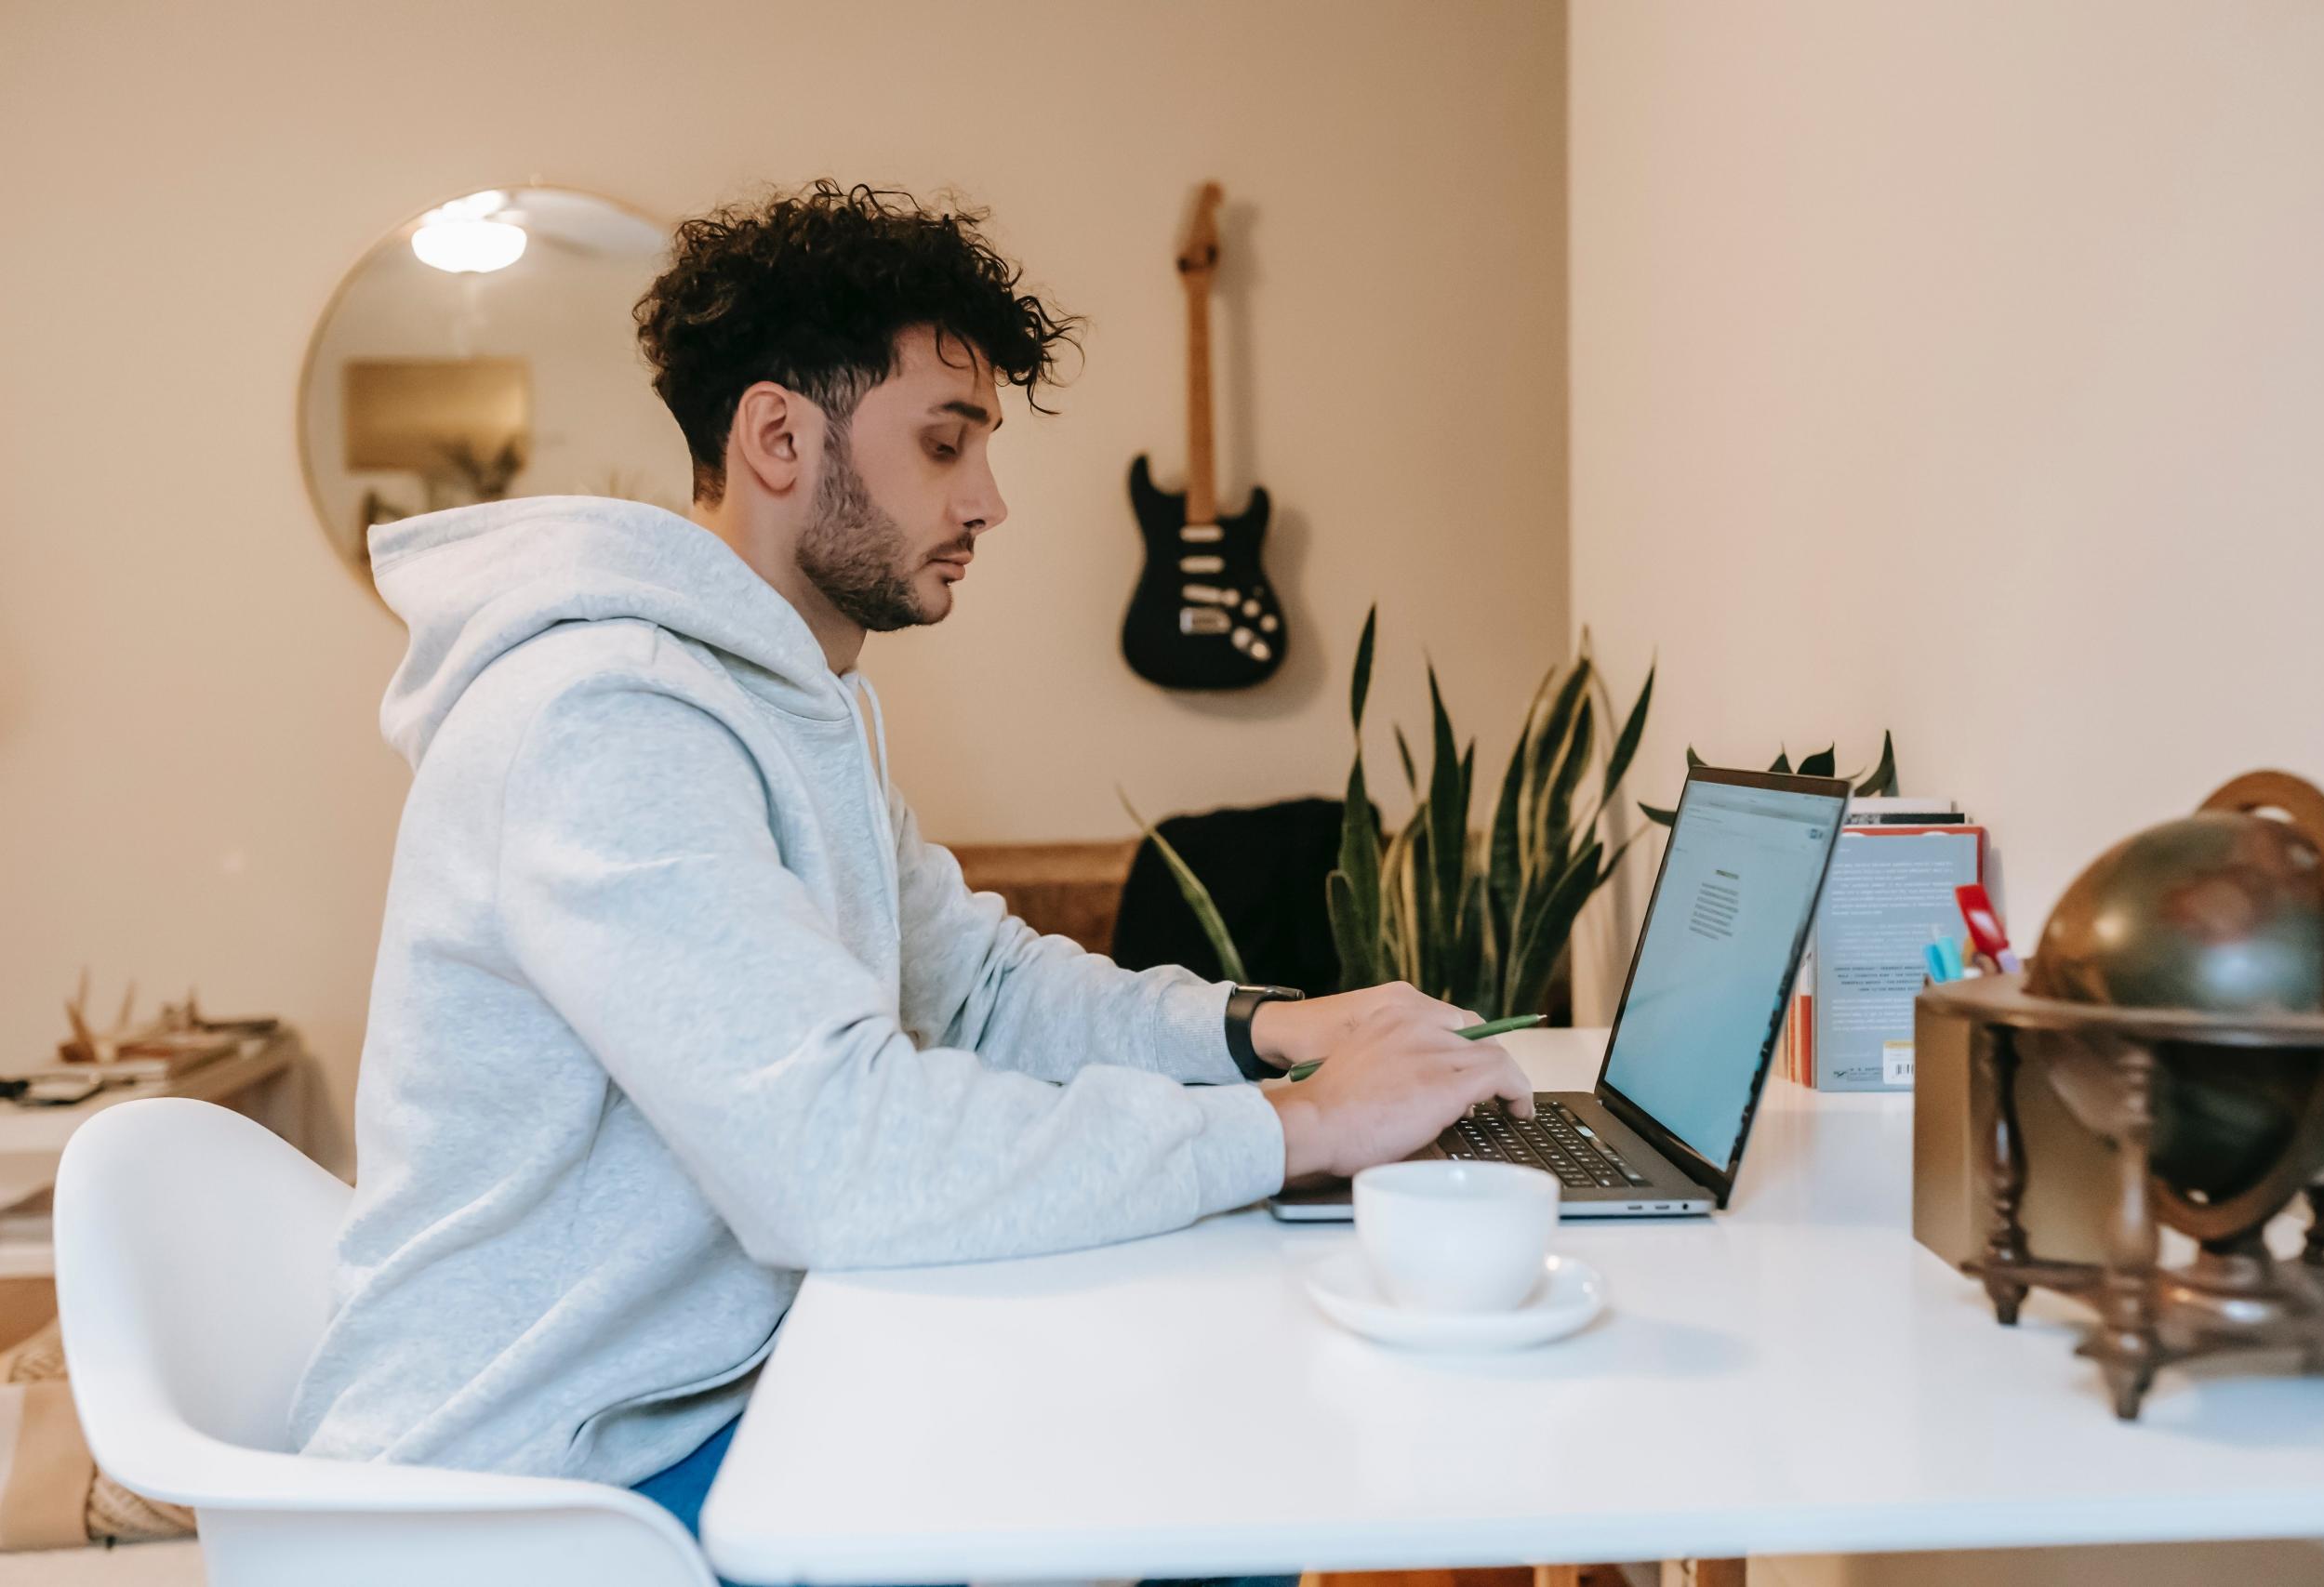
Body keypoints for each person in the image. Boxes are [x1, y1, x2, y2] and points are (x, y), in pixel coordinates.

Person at [288, 179, 1532, 1580]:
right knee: (1204, 1470)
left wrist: (1266, 1032)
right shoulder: (610, 719)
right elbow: (840, 1157)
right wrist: (1299, 1128)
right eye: (946, 446)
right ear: (778, 435)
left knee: (1212, 1450)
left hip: (721, 1387)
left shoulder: (790, 698)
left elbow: (980, 988)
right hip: (550, 1482)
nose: (988, 502)